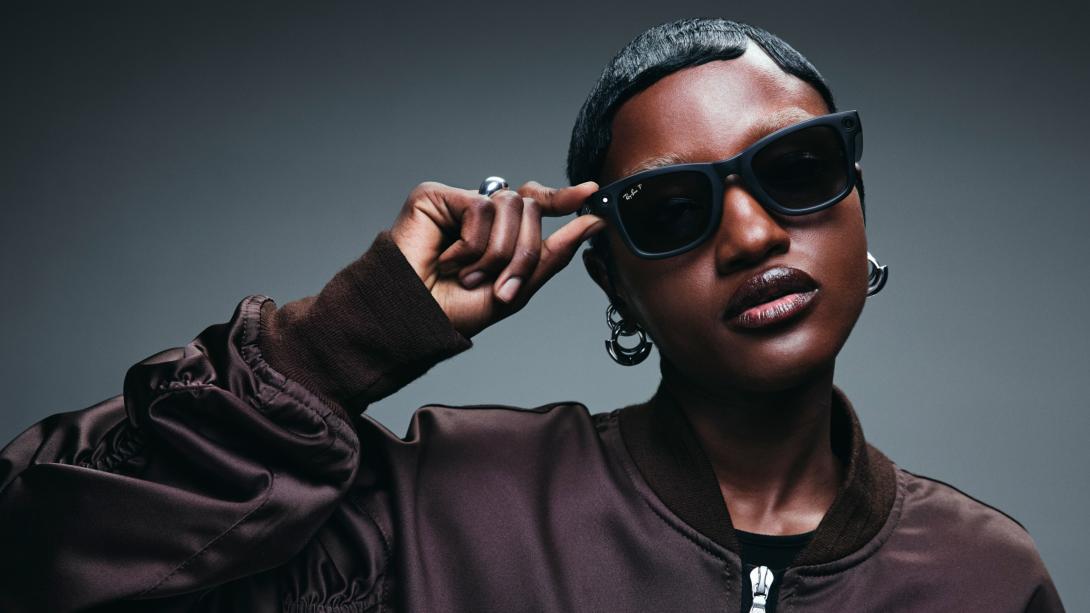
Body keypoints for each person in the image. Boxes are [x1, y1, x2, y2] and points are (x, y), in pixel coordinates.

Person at [0, 17, 1064, 613]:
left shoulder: (985, 574)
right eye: (670, 208)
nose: (750, 235)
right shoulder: (437, 510)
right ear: (615, 283)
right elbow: (40, 555)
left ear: (858, 198)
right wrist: (346, 337)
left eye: (797, 168)